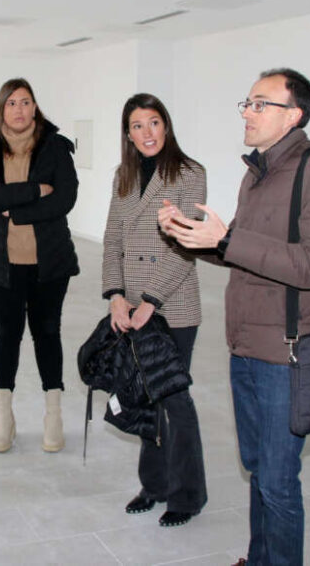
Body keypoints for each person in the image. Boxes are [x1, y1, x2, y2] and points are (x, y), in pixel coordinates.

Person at [159, 69, 310, 565]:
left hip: (287, 353)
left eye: (260, 103)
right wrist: (189, 235)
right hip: (245, 344)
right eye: (247, 103)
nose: (247, 112)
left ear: (294, 115)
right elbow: (243, 252)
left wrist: (227, 239)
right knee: (259, 468)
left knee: (279, 480)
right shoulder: (258, 172)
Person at [101, 93, 208, 528]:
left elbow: (187, 246)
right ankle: (154, 485)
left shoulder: (190, 173)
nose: (147, 133)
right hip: (130, 306)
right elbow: (112, 239)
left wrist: (151, 301)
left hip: (173, 305)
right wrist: (115, 295)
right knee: (143, 396)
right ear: (127, 134)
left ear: (166, 125)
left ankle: (187, 495)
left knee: (174, 399)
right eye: (137, 125)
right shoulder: (123, 176)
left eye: (154, 122)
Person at [0, 78, 79, 453]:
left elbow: (65, 198)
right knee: (6, 336)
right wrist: (33, 191)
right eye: (11, 103)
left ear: (35, 107)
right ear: (2, 108)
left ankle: (53, 415)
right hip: (1, 262)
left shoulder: (55, 147)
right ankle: (4, 416)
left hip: (49, 261)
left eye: (25, 102)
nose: (19, 109)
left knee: (48, 334)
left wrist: (13, 209)